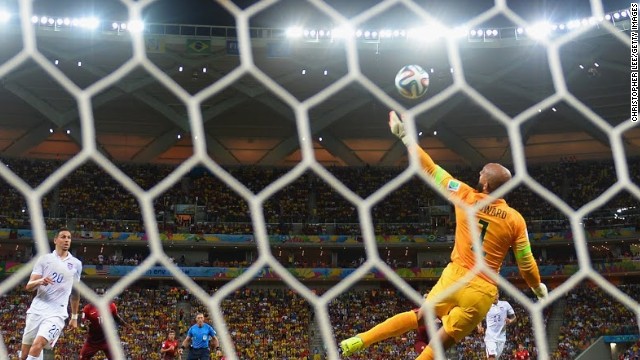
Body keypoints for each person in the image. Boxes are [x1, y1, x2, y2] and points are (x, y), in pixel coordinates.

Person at [340, 111, 548, 360]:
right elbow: (527, 264)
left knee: (419, 317)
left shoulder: (465, 196)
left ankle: (361, 340)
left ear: (485, 183)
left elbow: (429, 168)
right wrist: (538, 289)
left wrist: (405, 137)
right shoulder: (515, 219)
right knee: (440, 345)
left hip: (455, 277)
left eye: (482, 172)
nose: (479, 173)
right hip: (482, 290)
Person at [21, 228, 82, 360]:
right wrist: (40, 281)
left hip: (57, 313)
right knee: (24, 355)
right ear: (55, 240)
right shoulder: (44, 259)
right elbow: (29, 286)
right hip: (37, 310)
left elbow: (75, 292)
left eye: (69, 237)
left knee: (38, 345)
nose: (66, 240)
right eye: (63, 237)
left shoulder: (76, 264)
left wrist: (74, 317)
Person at [79, 288, 128, 359]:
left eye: (101, 294)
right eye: (98, 294)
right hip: (92, 341)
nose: (99, 296)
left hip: (107, 340)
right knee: (82, 358)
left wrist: (125, 325)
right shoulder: (88, 308)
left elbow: (116, 318)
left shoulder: (111, 306)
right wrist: (84, 326)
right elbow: (82, 324)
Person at [476, 292, 516, 359]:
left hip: (501, 337)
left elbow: (514, 317)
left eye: (496, 294)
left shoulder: (505, 304)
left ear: (498, 295)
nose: (494, 296)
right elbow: (478, 317)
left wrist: (510, 321)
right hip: (490, 336)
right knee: (491, 356)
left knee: (495, 358)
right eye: (492, 295)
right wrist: (479, 326)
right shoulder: (486, 305)